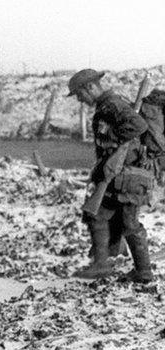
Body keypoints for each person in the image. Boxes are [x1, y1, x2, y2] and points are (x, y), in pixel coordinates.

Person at [67, 68, 154, 282]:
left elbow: (138, 125)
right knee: (97, 216)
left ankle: (142, 272)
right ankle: (102, 264)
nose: (80, 99)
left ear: (91, 87)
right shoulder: (106, 106)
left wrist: (115, 139)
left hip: (128, 178)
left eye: (80, 94)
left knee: (129, 224)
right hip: (115, 176)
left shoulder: (113, 105)